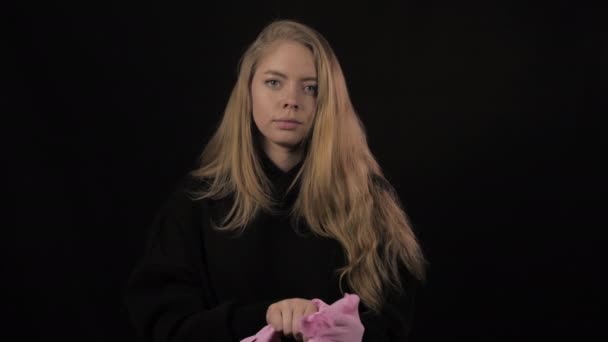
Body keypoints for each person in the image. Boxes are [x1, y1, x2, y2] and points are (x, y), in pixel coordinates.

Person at [124, 19, 427, 342]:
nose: (291, 100)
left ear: (328, 101)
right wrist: (263, 318)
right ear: (248, 91)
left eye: (310, 88)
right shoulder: (196, 203)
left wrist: (360, 336)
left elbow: (396, 319)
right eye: (274, 82)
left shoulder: (368, 199)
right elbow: (163, 324)